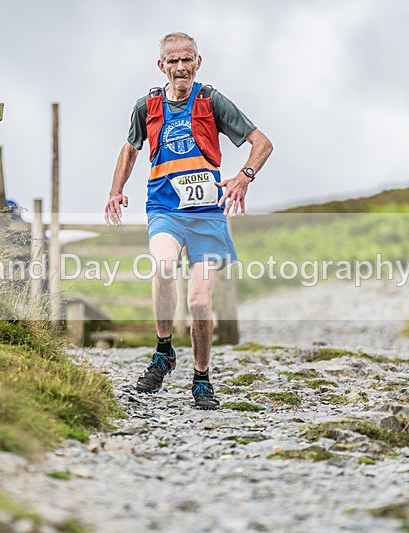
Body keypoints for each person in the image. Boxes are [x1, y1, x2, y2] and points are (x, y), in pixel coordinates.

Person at [104, 32, 273, 410]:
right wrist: (116, 191)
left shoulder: (211, 102)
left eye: (187, 60)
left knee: (198, 303)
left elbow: (262, 143)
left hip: (208, 217)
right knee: (163, 266)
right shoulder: (146, 105)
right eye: (173, 61)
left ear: (198, 62)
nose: (181, 67)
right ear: (161, 65)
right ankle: (164, 352)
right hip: (164, 208)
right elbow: (130, 150)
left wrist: (244, 177)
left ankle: (201, 378)